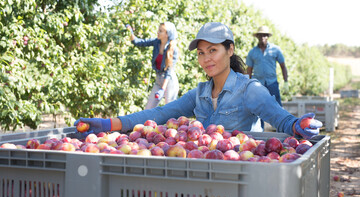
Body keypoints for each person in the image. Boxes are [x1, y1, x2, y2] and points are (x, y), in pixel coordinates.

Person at [75, 22, 322, 140]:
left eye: (212, 50)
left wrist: (298, 125)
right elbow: (160, 113)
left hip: (244, 167)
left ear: (230, 50)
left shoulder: (249, 89)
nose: (206, 59)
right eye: (201, 53)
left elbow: (280, 118)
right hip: (210, 168)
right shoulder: (200, 93)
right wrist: (109, 123)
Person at [126, 22, 179, 109]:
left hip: (169, 81)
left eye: (161, 31)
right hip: (159, 80)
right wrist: (130, 32)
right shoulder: (156, 42)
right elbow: (138, 42)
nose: (158, 32)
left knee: (171, 110)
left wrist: (163, 89)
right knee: (148, 109)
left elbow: (169, 71)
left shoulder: (173, 49)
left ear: (167, 34)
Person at [246, 26, 288, 107]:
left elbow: (283, 66)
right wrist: (248, 85)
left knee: (277, 107)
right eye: (260, 35)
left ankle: (280, 120)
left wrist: (286, 82)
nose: (262, 37)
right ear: (257, 37)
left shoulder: (276, 50)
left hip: (272, 83)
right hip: (258, 84)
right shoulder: (252, 52)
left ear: (268, 37)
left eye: (265, 35)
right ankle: (260, 120)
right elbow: (249, 70)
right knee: (258, 108)